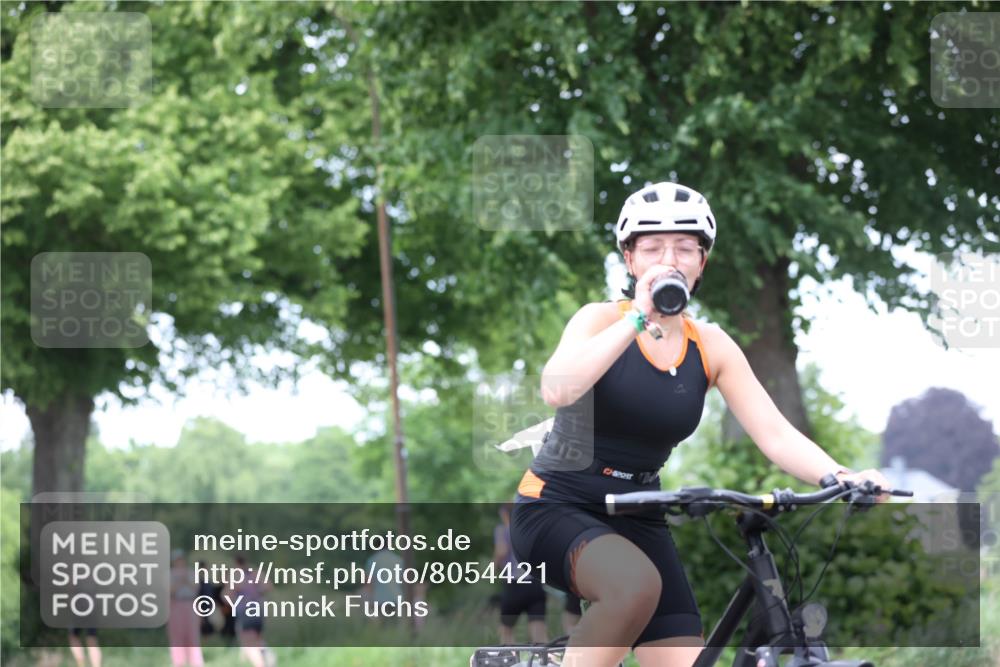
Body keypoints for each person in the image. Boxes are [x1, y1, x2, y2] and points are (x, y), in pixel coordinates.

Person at [509, 181, 891, 667]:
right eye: (652, 247)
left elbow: (774, 433)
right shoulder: (599, 320)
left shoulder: (710, 345)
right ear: (630, 260)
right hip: (556, 504)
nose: (669, 258)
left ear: (702, 262)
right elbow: (557, 390)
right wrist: (637, 319)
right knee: (633, 585)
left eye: (685, 247)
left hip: (638, 513)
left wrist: (841, 475)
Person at [493, 502, 547, 644]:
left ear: (504, 514)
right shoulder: (530, 530)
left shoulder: (502, 530)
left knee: (507, 632)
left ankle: (509, 661)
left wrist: (494, 565)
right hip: (534, 583)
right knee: (539, 633)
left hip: (514, 584)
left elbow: (502, 551)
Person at [229, 555, 273, 667]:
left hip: (244, 612)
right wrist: (257, 591)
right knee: (257, 639)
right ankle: (269, 659)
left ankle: (261, 663)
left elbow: (226, 594)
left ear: (235, 563)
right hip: (258, 610)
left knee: (248, 643)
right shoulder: (254, 573)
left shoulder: (236, 576)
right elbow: (268, 586)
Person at [167, 549, 204, 666]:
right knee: (177, 636)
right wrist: (180, 582)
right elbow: (169, 591)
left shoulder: (191, 572)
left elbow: (196, 588)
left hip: (190, 604)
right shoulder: (169, 574)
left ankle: (196, 662)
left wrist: (186, 580)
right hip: (176, 605)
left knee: (193, 635)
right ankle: (179, 662)